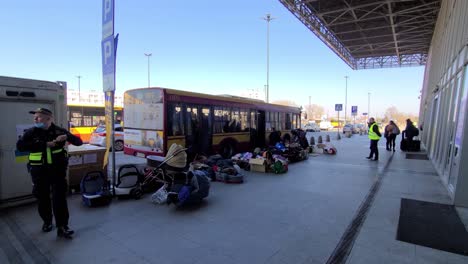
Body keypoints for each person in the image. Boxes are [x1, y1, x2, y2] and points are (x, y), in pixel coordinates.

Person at [16, 108, 83, 239]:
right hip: (39, 172)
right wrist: (45, 144)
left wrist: (67, 136)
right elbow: (20, 146)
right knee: (42, 198)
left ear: (49, 119)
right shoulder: (30, 132)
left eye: (39, 117)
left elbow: (79, 142)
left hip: (57, 171)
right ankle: (47, 221)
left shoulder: (59, 131)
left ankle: (62, 226)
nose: (35, 119)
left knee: (60, 199)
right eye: (34, 117)